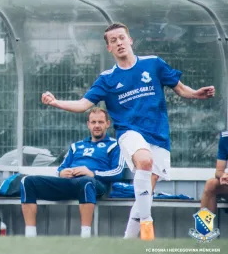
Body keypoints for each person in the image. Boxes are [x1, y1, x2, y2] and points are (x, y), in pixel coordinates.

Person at [41, 22, 215, 240]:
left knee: (145, 194)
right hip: (129, 132)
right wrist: (56, 102)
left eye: (122, 38)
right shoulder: (107, 79)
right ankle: (146, 224)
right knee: (144, 161)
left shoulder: (153, 64)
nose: (119, 43)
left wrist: (197, 93)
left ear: (130, 40)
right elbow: (83, 104)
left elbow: (180, 89)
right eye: (113, 41)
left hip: (159, 136)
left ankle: (128, 243)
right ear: (109, 48)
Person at [21, 108, 123, 238]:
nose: (97, 125)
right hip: (69, 182)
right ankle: (30, 235)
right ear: (88, 124)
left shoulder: (115, 145)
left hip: (95, 185)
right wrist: (62, 173)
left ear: (107, 124)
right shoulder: (76, 146)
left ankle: (85, 236)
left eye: (100, 122)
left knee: (86, 182)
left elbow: (118, 172)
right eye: (93, 122)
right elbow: (61, 168)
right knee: (27, 182)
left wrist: (92, 173)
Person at [200, 131, 228, 213]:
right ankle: (205, 224)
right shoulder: (225, 138)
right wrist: (224, 176)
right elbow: (218, 172)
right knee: (211, 184)